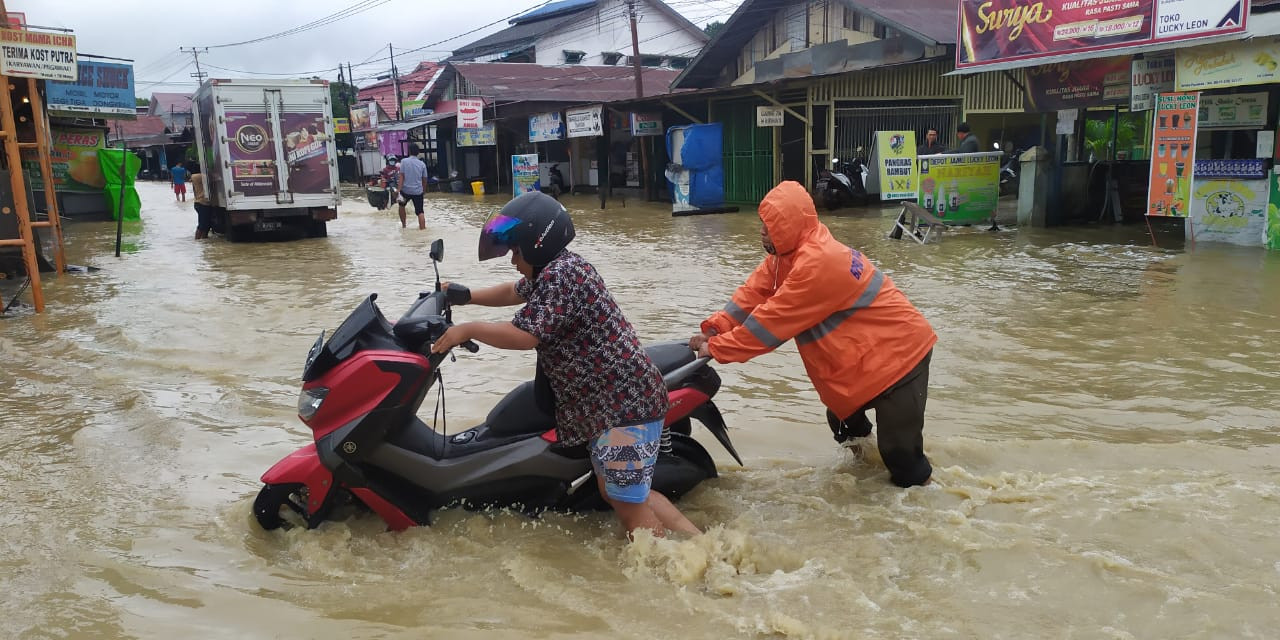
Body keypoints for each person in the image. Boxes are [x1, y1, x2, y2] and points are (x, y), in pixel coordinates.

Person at [431, 192, 700, 539]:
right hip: (612, 405)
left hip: (621, 407)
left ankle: (671, 570)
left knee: (628, 502)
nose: (512, 259)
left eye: (516, 250)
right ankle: (698, 544)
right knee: (624, 494)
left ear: (538, 244)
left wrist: (465, 330)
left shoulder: (563, 275)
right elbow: (513, 292)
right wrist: (466, 296)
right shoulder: (554, 271)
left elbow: (525, 335)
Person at [689, 181, 937, 488]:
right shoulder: (786, 258)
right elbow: (751, 296)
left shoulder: (817, 263)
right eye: (762, 226)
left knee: (902, 458)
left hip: (902, 359)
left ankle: (924, 505)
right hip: (867, 361)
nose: (762, 233)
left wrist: (718, 348)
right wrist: (714, 329)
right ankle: (867, 482)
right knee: (844, 422)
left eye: (768, 227)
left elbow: (768, 327)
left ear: (788, 227)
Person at [397, 144, 428, 229]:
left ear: (409, 151)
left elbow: (402, 176)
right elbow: (424, 179)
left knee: (401, 206)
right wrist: (424, 190)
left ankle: (404, 226)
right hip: (418, 191)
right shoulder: (422, 164)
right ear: (418, 153)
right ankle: (423, 229)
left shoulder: (404, 161)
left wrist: (398, 190)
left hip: (405, 190)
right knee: (420, 212)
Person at [191, 172, 213, 239]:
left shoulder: (193, 177)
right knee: (202, 225)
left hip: (199, 202)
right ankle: (197, 240)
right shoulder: (200, 176)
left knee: (206, 224)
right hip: (202, 203)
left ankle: (203, 242)